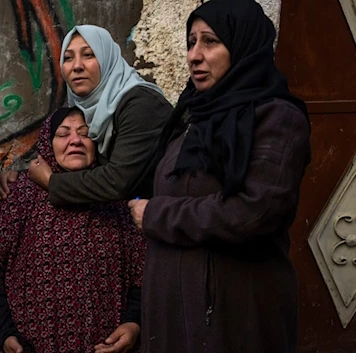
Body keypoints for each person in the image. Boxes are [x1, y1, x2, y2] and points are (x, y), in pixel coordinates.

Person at [127, 1, 311, 352]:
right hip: (170, 316)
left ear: (242, 46)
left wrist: (155, 215)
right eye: (191, 42)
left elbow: (253, 212)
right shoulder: (192, 121)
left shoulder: (276, 120)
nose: (194, 55)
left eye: (210, 41)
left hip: (233, 317)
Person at [0, 107, 146, 353]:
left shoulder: (116, 202)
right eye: (63, 134)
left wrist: (134, 323)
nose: (75, 140)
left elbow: (143, 273)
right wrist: (3, 334)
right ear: (47, 143)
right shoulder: (18, 196)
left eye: (85, 134)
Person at [0, 25, 172, 204]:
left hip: (173, 220)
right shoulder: (89, 109)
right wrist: (23, 179)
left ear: (107, 59)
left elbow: (116, 181)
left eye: (88, 55)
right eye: (68, 58)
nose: (77, 66)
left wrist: (49, 181)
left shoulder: (140, 104)